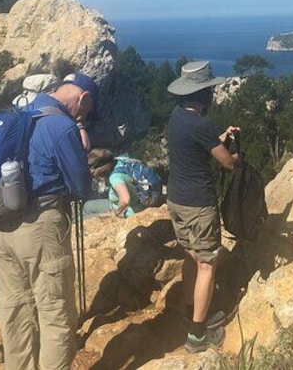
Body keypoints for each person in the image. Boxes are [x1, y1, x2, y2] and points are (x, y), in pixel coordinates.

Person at [0, 71, 98, 370]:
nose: (82, 116)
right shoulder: (61, 126)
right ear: (82, 98)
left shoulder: (20, 112)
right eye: (85, 110)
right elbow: (80, 186)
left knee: (15, 312)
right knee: (57, 315)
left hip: (0, 226)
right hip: (39, 227)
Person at [166, 61, 239, 353]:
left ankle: (191, 309)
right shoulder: (201, 124)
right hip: (199, 204)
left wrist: (219, 139)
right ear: (204, 93)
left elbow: (196, 146)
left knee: (191, 256)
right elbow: (228, 163)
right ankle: (198, 335)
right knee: (208, 264)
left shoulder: (177, 117)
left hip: (176, 200)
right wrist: (236, 153)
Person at [82, 153, 163, 218]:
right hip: (146, 197)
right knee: (87, 206)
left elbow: (125, 200)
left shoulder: (115, 178)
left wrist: (114, 213)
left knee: (86, 211)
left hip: (132, 210)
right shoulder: (120, 160)